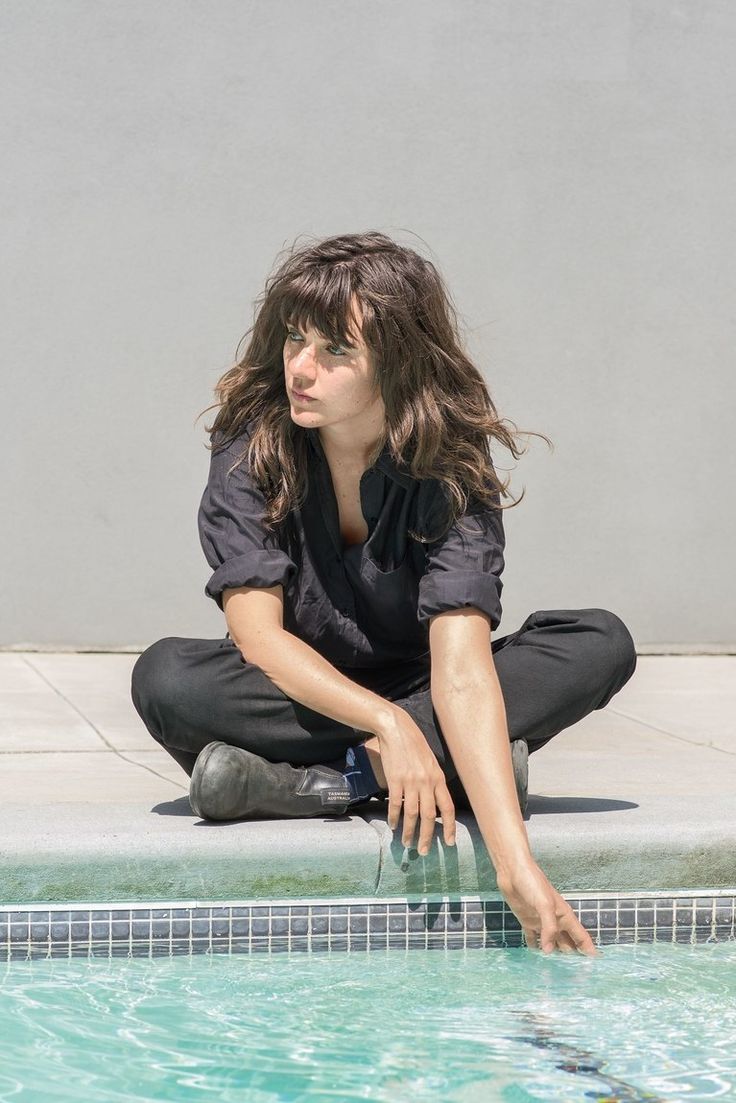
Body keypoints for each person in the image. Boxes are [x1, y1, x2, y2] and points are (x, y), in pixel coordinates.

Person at [130, 231, 637, 957]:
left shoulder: (449, 458)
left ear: (396, 364)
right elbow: (259, 639)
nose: (301, 367)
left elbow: (461, 666)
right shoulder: (254, 441)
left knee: (598, 643)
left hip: (424, 683)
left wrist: (515, 864)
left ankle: (323, 785)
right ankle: (431, 761)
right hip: (299, 692)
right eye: (295, 338)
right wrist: (392, 729)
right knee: (167, 678)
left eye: (335, 351)